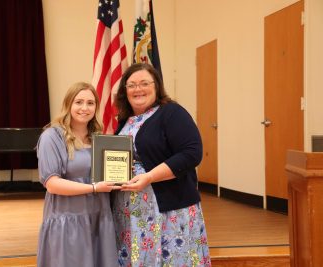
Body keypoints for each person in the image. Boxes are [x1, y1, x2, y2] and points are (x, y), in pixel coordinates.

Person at [112, 63, 211, 266]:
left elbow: (192, 153)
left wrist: (149, 176)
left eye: (144, 83)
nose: (138, 89)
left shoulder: (172, 112)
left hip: (167, 210)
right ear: (124, 91)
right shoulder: (125, 120)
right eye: (131, 85)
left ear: (156, 86)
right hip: (130, 211)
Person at [36, 82, 121, 267]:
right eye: (79, 102)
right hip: (69, 220)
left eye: (90, 103)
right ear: (68, 104)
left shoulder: (99, 138)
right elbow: (52, 183)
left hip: (99, 218)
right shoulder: (52, 137)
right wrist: (93, 188)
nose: (84, 108)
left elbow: (110, 175)